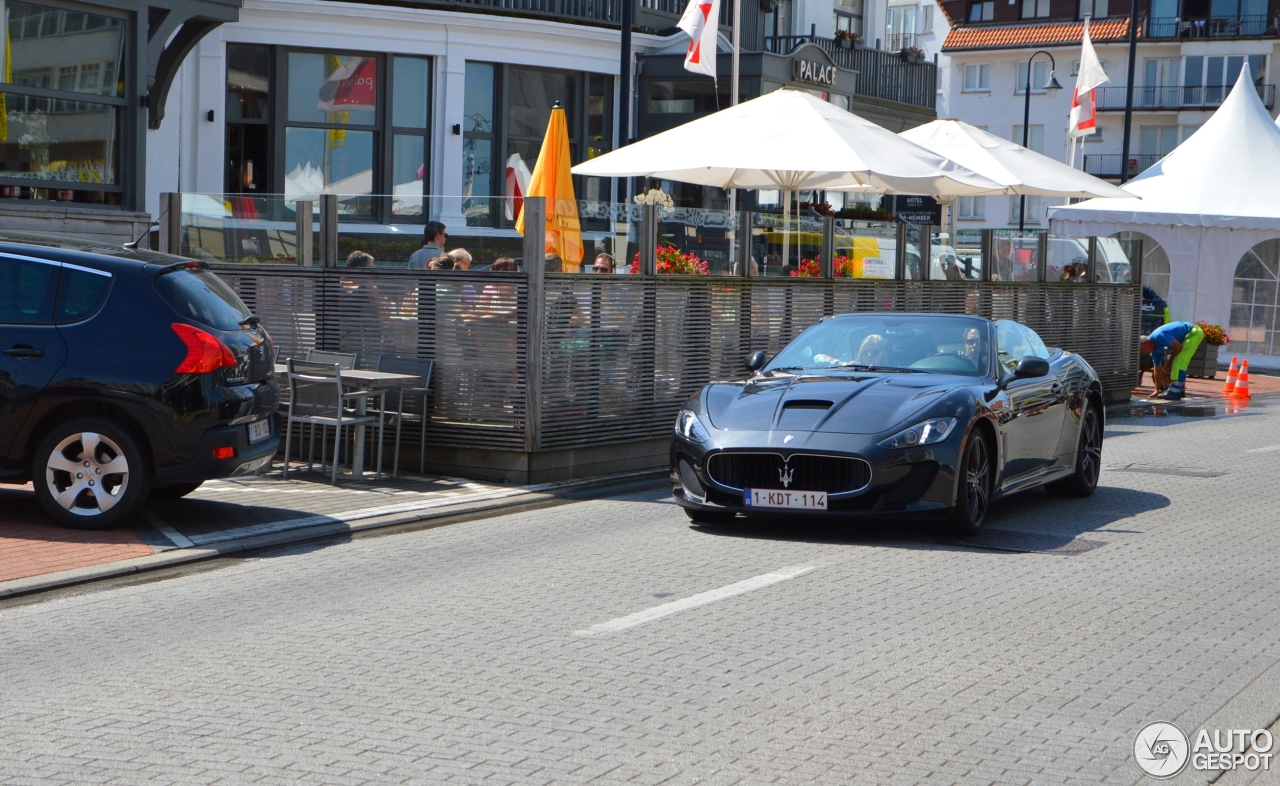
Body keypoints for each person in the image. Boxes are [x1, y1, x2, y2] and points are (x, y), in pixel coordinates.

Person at [1140, 320, 1204, 400]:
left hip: (1193, 332)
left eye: (1142, 350)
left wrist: (1169, 363)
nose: (1142, 353)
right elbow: (1157, 370)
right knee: (1179, 361)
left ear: (1146, 343)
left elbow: (1178, 347)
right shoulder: (1154, 352)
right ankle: (1180, 390)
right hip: (1188, 335)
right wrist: (1156, 390)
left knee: (1178, 361)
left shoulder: (1159, 336)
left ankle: (1174, 392)